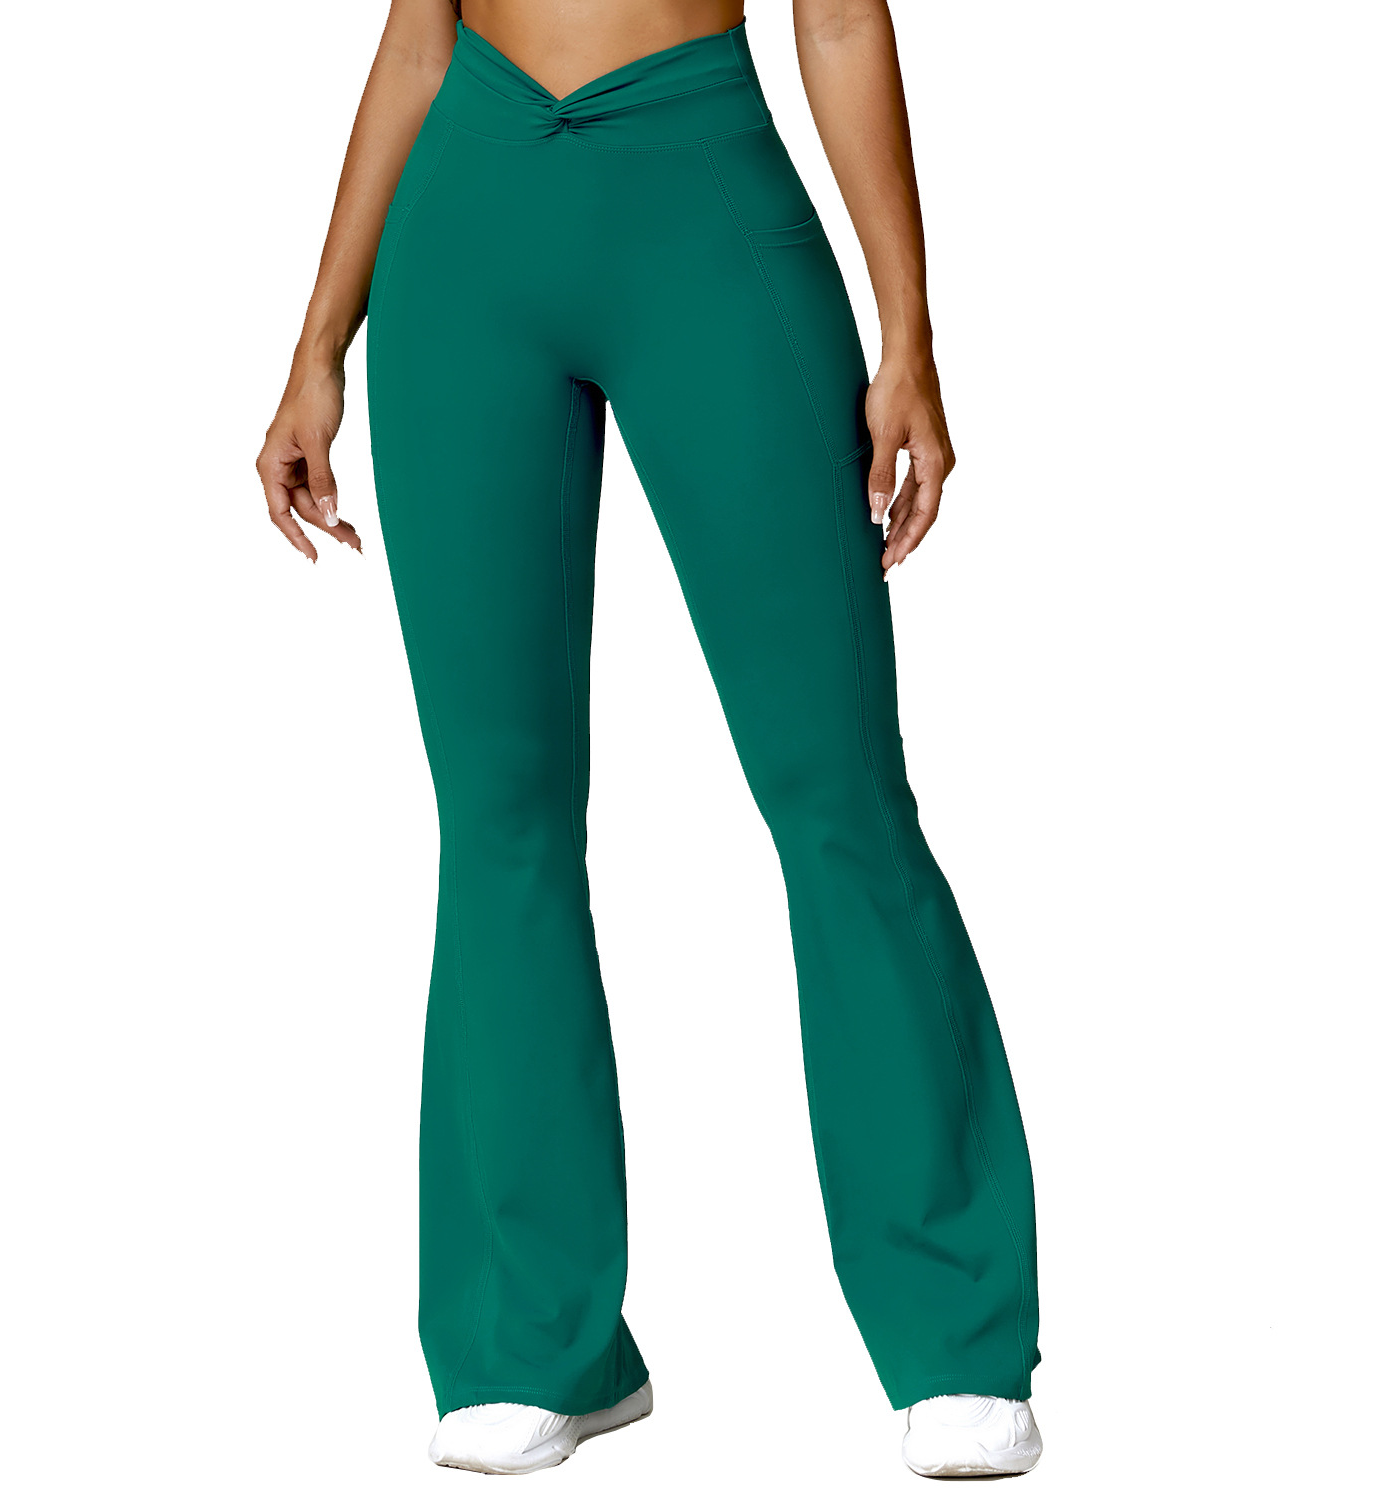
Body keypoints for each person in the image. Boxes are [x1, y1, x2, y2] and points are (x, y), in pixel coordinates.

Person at [257, 0, 1042, 1479]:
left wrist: (909, 333)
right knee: (500, 815)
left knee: (837, 792)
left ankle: (956, 1333)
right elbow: (417, 42)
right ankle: (530, 1342)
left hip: (705, 205)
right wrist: (316, 347)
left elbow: (839, 20)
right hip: (465, 228)